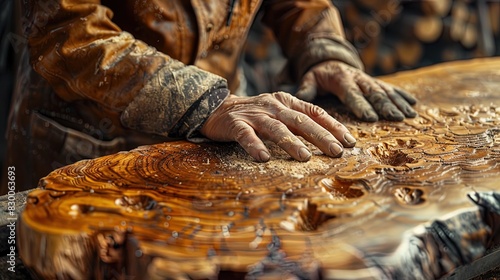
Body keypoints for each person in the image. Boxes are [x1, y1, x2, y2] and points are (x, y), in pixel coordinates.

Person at [2, 0, 416, 194]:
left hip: (218, 129)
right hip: (87, 135)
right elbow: (67, 29)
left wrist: (323, 49)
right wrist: (206, 102)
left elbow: (299, 5)